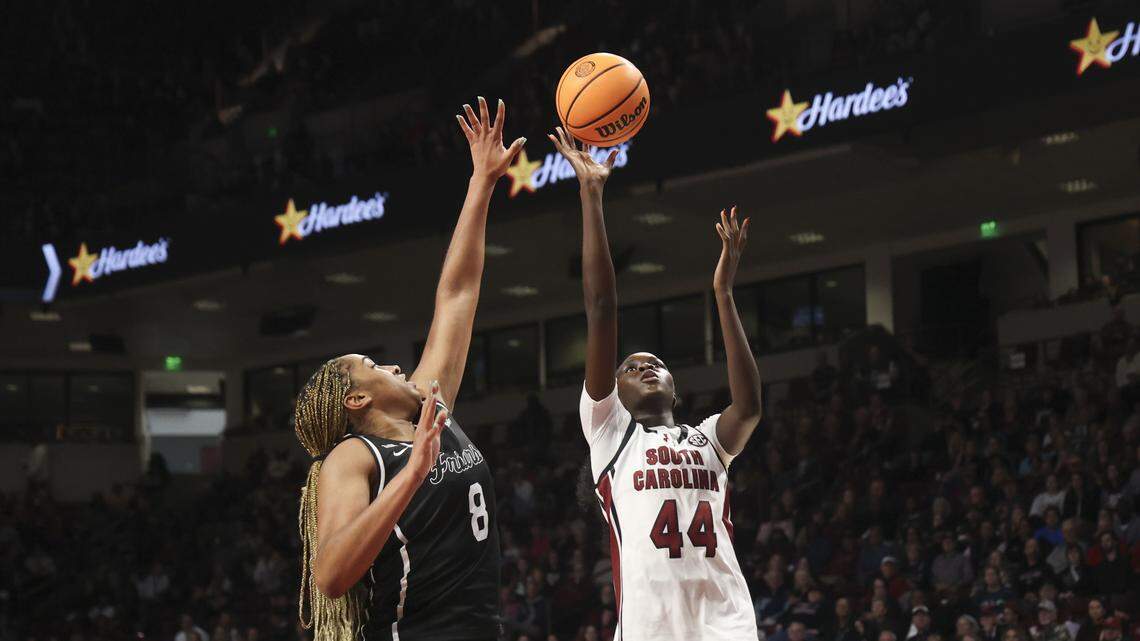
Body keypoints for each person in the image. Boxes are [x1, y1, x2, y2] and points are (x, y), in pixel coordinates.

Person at [293, 97, 526, 640]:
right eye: (373, 365)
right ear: (356, 401)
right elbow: (329, 574)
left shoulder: (430, 407)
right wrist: (414, 473)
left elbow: (457, 294)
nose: (395, 365)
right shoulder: (353, 457)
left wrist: (481, 185)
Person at [551, 126, 762, 641]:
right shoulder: (612, 436)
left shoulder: (707, 439)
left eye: (656, 364)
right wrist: (592, 195)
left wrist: (724, 294)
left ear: (676, 389)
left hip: (727, 622)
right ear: (613, 393)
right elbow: (602, 310)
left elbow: (750, 405)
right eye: (630, 367)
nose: (645, 368)